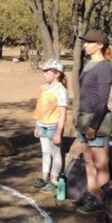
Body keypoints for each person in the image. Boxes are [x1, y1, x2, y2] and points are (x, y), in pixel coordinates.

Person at [74, 30, 112, 213]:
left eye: (89, 42)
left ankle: (102, 198)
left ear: (99, 44)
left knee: (101, 164)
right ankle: (92, 194)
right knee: (89, 161)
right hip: (83, 119)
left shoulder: (105, 67)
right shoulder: (89, 63)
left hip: (95, 121)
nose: (85, 45)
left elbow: (102, 101)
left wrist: (94, 126)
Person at [32, 59, 68, 193]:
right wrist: (37, 125)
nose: (44, 74)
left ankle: (54, 180)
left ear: (57, 74)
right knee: (45, 152)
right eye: (44, 72)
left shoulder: (61, 90)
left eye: (47, 72)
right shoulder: (44, 88)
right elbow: (40, 108)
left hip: (53, 126)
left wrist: (59, 132)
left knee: (55, 153)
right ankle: (44, 177)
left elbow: (63, 114)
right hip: (42, 124)